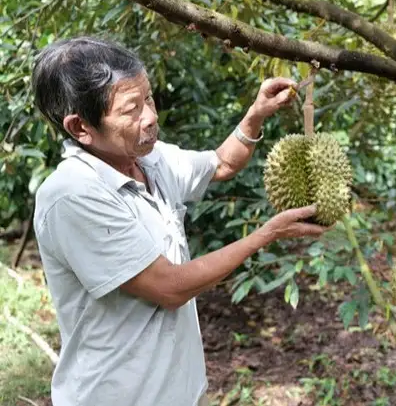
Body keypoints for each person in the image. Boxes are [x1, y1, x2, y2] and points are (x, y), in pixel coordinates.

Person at [30, 36, 329, 406]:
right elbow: (169, 287)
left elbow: (222, 164)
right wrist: (267, 235)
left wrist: (256, 114)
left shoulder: (150, 159)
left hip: (182, 391)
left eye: (149, 98)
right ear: (80, 128)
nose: (151, 116)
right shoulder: (72, 194)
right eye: (132, 109)